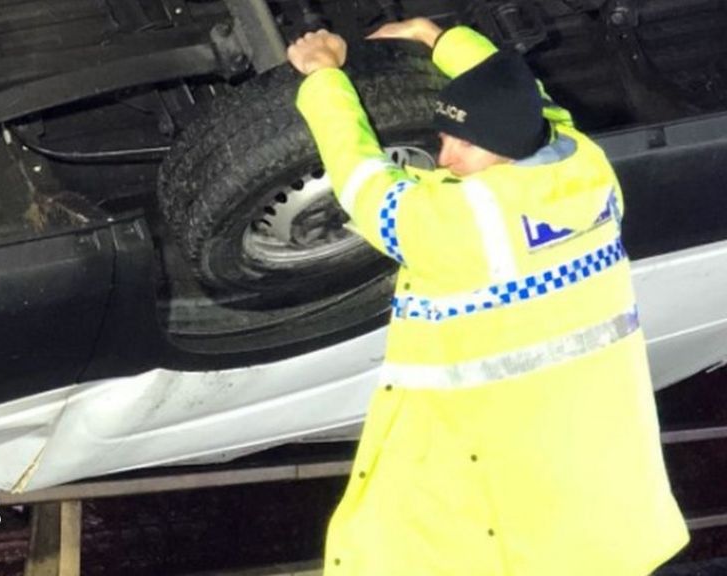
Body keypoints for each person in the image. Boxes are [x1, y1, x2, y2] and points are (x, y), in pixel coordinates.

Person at [286, 17, 689, 576]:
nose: (444, 157)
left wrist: (324, 75)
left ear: (505, 152)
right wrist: (438, 38)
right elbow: (529, 102)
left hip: (582, 520)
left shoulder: (473, 226)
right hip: (561, 538)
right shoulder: (582, 169)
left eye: (463, 144)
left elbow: (361, 179)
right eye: (447, 136)